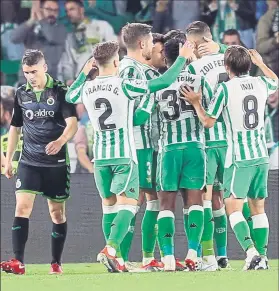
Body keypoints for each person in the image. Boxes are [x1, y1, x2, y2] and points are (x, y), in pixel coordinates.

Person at [65, 40, 193, 273]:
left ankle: (118, 261)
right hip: (123, 155)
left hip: (100, 158)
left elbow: (69, 96)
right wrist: (182, 57)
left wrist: (84, 74)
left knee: (109, 206)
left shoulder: (87, 87)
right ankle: (111, 249)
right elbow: (163, 81)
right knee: (130, 204)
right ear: (116, 61)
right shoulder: (124, 84)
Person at [180, 47, 278, 270]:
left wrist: (196, 102)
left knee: (233, 207)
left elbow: (208, 122)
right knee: (258, 208)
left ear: (227, 67)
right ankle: (262, 259)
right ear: (249, 65)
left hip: (239, 157)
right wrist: (262, 64)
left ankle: (251, 252)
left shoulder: (225, 89)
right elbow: (275, 81)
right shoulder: (260, 83)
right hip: (261, 155)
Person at [0, 49, 78, 275]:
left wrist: (61, 140)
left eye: (34, 71)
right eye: (26, 72)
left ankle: (56, 262)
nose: (30, 77)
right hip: (29, 161)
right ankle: (18, 262)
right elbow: (15, 127)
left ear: (44, 68)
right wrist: (8, 160)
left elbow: (72, 123)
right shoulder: (21, 92)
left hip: (55, 163)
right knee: (22, 207)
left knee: (57, 214)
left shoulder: (60, 90)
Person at [152, 36, 214, 272]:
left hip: (168, 149)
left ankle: (167, 258)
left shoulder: (159, 82)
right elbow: (209, 113)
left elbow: (148, 115)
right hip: (195, 147)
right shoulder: (199, 80)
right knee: (195, 201)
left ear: (165, 56)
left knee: (165, 203)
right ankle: (192, 254)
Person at [186, 21, 229, 270]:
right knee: (227, 200)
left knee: (205, 198)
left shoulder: (195, 68)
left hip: (206, 140)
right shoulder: (229, 59)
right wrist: (221, 46)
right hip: (231, 141)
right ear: (211, 38)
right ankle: (228, 255)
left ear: (192, 43)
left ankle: (209, 257)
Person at [57, 0, 116, 86]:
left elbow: (114, 50)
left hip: (104, 77)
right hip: (82, 81)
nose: (68, 14)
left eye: (72, 9)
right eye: (66, 11)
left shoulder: (102, 26)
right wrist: (69, 79)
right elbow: (68, 62)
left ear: (81, 10)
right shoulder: (69, 38)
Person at [10, 0, 67, 86]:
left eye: (55, 11)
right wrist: (31, 20)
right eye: (49, 9)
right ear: (40, 10)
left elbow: (52, 37)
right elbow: (14, 38)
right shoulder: (31, 27)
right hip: (27, 80)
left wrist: (41, 19)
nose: (52, 13)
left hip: (48, 80)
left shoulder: (61, 29)